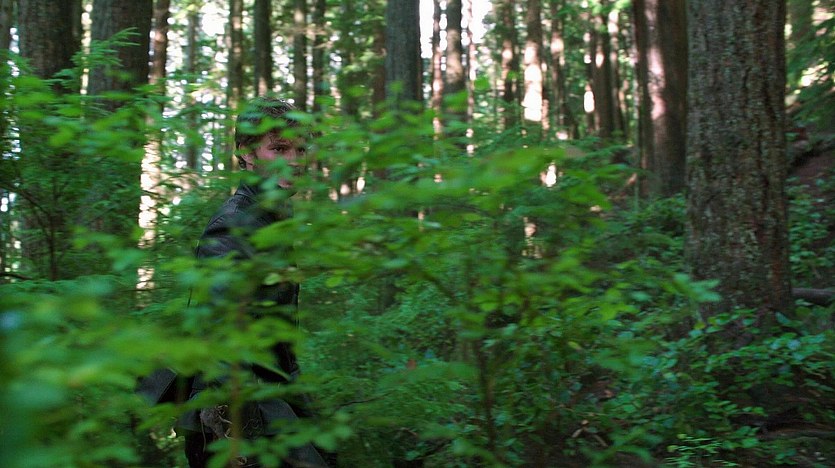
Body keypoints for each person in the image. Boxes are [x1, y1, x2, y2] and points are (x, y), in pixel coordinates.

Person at [141, 97, 328, 467]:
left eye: (301, 149)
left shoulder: (270, 217)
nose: (294, 160)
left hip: (268, 395)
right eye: (279, 148)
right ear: (246, 153)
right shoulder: (234, 225)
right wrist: (234, 437)